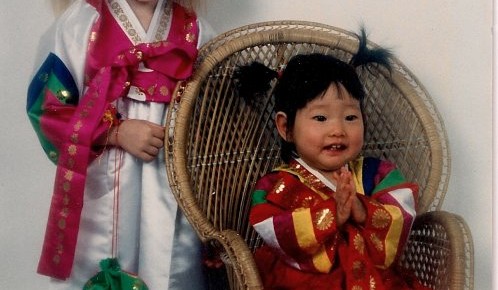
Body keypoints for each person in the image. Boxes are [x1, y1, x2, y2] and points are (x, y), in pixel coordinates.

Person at [26, 0, 213, 288]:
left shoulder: (194, 29)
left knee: (173, 266)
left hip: (173, 180)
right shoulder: (83, 23)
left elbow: (216, 108)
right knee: (107, 262)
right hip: (106, 183)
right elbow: (47, 107)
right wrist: (117, 132)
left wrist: (195, 133)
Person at [234, 30, 430, 290]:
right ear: (286, 127)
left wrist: (361, 210)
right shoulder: (276, 187)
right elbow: (274, 230)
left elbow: (401, 218)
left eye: (350, 117)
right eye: (320, 118)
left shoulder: (378, 174)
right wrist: (331, 215)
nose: (338, 129)